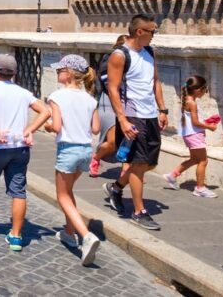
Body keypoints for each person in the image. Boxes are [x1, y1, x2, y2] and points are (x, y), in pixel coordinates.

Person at [0, 54, 51, 252]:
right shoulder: (23, 92)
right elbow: (46, 111)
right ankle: (15, 236)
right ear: (15, 73)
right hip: (20, 147)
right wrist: (30, 129)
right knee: (19, 191)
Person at [102, 14, 168, 231]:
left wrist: (163, 109)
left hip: (150, 115)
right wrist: (122, 119)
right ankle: (139, 211)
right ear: (140, 32)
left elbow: (155, 81)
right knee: (138, 164)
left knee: (150, 162)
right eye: (153, 31)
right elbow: (113, 88)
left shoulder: (149, 51)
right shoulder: (120, 56)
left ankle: (116, 187)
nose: (154, 35)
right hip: (132, 115)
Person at [44, 55, 101, 266]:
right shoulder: (90, 98)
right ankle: (69, 232)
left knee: (61, 196)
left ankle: (86, 236)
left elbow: (56, 126)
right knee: (68, 192)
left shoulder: (57, 96)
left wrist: (48, 126)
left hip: (68, 149)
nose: (57, 72)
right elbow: (95, 128)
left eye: (60, 70)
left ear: (69, 72)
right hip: (86, 150)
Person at [164, 75, 218, 198]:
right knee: (203, 161)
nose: (205, 92)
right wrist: (209, 127)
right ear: (199, 90)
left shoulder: (187, 101)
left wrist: (206, 121)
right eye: (206, 89)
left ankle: (172, 175)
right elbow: (195, 122)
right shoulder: (192, 103)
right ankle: (200, 188)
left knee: (194, 159)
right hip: (195, 134)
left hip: (189, 134)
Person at [90, 35, 129, 177]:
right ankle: (96, 157)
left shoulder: (134, 60)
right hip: (110, 104)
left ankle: (126, 171)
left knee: (127, 141)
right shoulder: (110, 59)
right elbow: (109, 86)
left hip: (128, 104)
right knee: (112, 142)